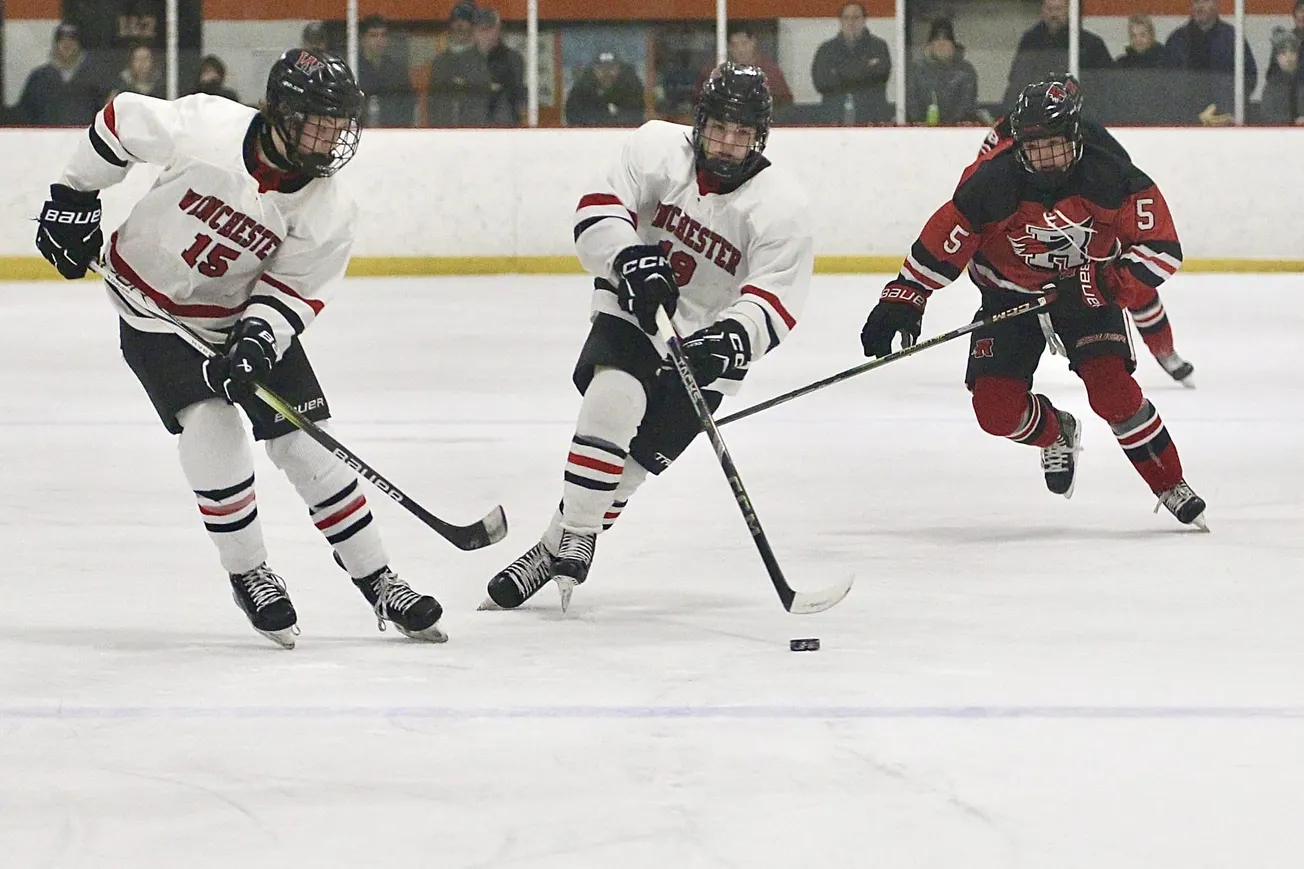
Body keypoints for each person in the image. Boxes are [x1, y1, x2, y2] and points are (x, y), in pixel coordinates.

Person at [33, 49, 447, 648]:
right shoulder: (208, 127)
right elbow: (121, 120)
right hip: (155, 315)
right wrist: (73, 195)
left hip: (239, 320)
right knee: (212, 426)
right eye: (317, 122)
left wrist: (255, 341)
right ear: (279, 114)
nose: (331, 138)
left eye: (338, 124)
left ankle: (379, 578)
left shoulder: (329, 208)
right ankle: (249, 570)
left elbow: (292, 291)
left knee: (308, 450)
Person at [484, 63, 814, 611]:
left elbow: (775, 296)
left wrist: (734, 338)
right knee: (612, 401)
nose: (728, 145)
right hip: (636, 308)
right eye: (719, 129)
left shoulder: (783, 206)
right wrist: (630, 256)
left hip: (704, 343)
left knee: (631, 469)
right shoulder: (657, 148)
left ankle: (550, 547)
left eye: (742, 134)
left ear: (761, 138)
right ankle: (580, 532)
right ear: (700, 122)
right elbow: (598, 207)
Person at [861, 74, 1207, 529]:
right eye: (1033, 146)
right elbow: (949, 236)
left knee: (1114, 393)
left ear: (1076, 135)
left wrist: (1103, 282)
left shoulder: (1112, 174)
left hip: (1085, 293)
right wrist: (906, 295)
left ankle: (1169, 482)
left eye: (1054, 145)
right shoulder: (991, 181)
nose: (1043, 158)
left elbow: (1161, 250)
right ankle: (1056, 432)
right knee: (995, 410)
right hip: (1008, 295)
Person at [978, 94, 1195, 385]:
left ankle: (1165, 352)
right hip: (1028, 220)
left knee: (1133, 283)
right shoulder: (1008, 128)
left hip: (1089, 223)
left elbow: (1123, 174)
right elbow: (982, 172)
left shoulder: (1088, 131)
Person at [1001, 0, 1113, 111]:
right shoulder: (1030, 42)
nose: (1054, 14)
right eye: (1049, 9)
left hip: (1081, 114)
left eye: (1058, 9)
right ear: (1042, 10)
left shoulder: (1090, 44)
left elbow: (1106, 86)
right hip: (1036, 113)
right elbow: (1017, 81)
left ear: (1070, 10)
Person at [1164, 0, 1257, 123]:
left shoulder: (1232, 37)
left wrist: (1230, 105)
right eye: (1196, 2)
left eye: (1205, 1)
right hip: (1186, 121)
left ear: (1216, 5)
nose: (1200, 6)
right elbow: (1167, 80)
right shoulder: (1177, 39)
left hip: (1225, 118)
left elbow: (1249, 76)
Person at [811, 2, 893, 124]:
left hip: (871, 118)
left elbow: (882, 74)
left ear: (864, 20)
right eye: (846, 18)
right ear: (840, 21)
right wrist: (865, 69)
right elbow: (820, 82)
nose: (851, 22)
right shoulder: (826, 49)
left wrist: (839, 72)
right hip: (834, 118)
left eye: (856, 17)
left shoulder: (878, 46)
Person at [16, 22, 109, 126]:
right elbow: (24, 115)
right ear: (55, 45)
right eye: (62, 40)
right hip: (45, 140)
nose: (67, 44)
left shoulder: (95, 76)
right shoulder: (38, 78)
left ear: (79, 45)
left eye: (72, 40)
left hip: (84, 138)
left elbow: (104, 115)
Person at [694, 23, 793, 107]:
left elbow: (785, 105)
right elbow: (698, 102)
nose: (741, 50)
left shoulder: (770, 71)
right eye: (734, 45)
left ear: (753, 42)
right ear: (728, 47)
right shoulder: (713, 70)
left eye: (744, 43)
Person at [427, 2, 491, 126]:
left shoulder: (484, 62)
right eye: (456, 20)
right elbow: (433, 104)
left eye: (465, 20)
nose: (460, 25)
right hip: (444, 134)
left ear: (474, 26)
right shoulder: (439, 62)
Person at [905, 18, 979, 124]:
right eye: (936, 40)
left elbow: (966, 104)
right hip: (922, 131)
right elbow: (912, 102)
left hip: (957, 132)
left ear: (953, 45)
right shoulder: (917, 69)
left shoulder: (965, 71)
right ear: (930, 45)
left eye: (945, 40)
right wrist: (922, 125)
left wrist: (948, 127)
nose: (941, 44)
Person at [357, 14, 416, 126]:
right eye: (373, 36)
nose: (379, 40)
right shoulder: (354, 68)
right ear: (363, 39)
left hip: (392, 133)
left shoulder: (397, 70)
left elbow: (408, 105)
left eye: (383, 35)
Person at [564, 50, 646, 127]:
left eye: (612, 68)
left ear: (619, 69)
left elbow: (636, 116)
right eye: (601, 68)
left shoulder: (631, 89)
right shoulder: (581, 91)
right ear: (594, 70)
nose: (607, 72)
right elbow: (574, 117)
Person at [474, 8, 526, 126]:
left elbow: (516, 97)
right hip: (469, 129)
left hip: (503, 128)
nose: (486, 34)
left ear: (498, 29)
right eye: (481, 29)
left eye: (490, 28)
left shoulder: (512, 59)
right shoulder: (465, 60)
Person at [1260, 27, 1304, 123]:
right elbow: (1267, 116)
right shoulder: (1272, 85)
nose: (1289, 57)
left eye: (1293, 52)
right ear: (1276, 58)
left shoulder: (1301, 82)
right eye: (1283, 53)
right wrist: (1293, 122)